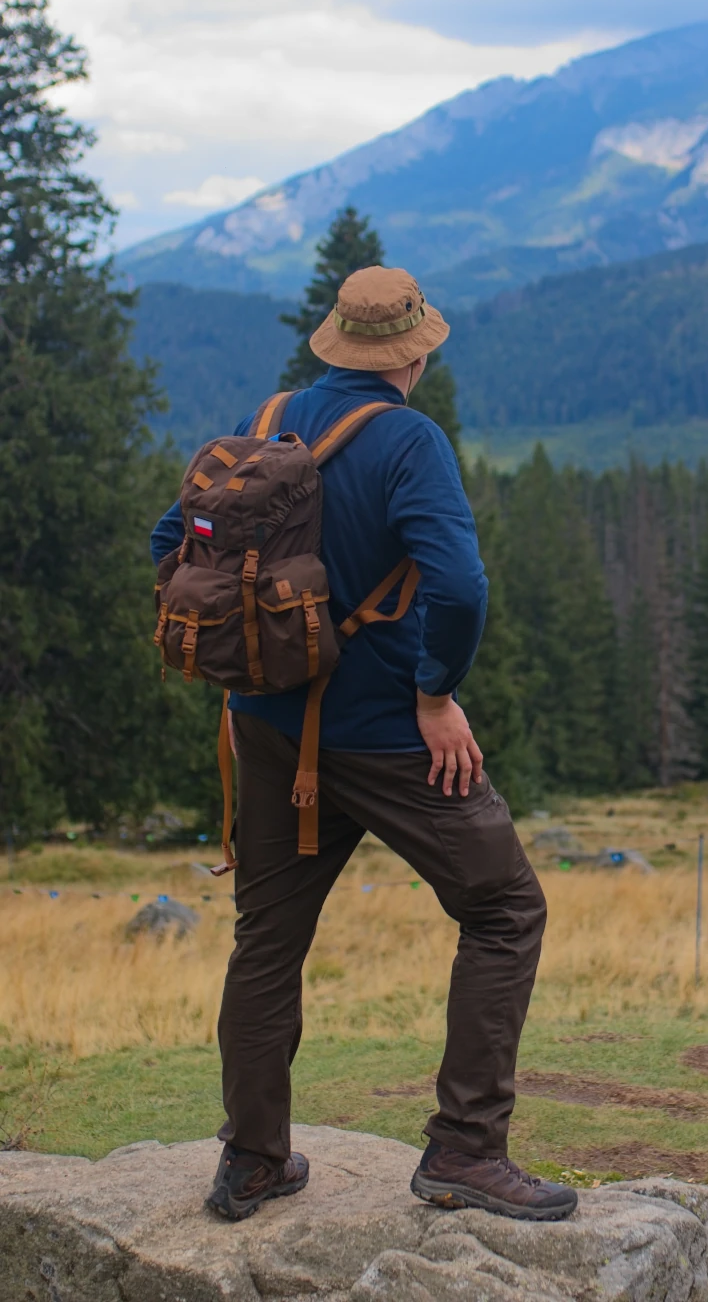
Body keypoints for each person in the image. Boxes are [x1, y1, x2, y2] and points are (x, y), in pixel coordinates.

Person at [150, 266, 576, 1224]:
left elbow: (168, 544)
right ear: (416, 353)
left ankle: (253, 1162)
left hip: (266, 730)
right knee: (505, 909)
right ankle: (466, 1152)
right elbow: (461, 588)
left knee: (265, 942)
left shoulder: (267, 422)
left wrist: (257, 658)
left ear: (334, 341)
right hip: (390, 738)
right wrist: (435, 694)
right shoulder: (409, 441)